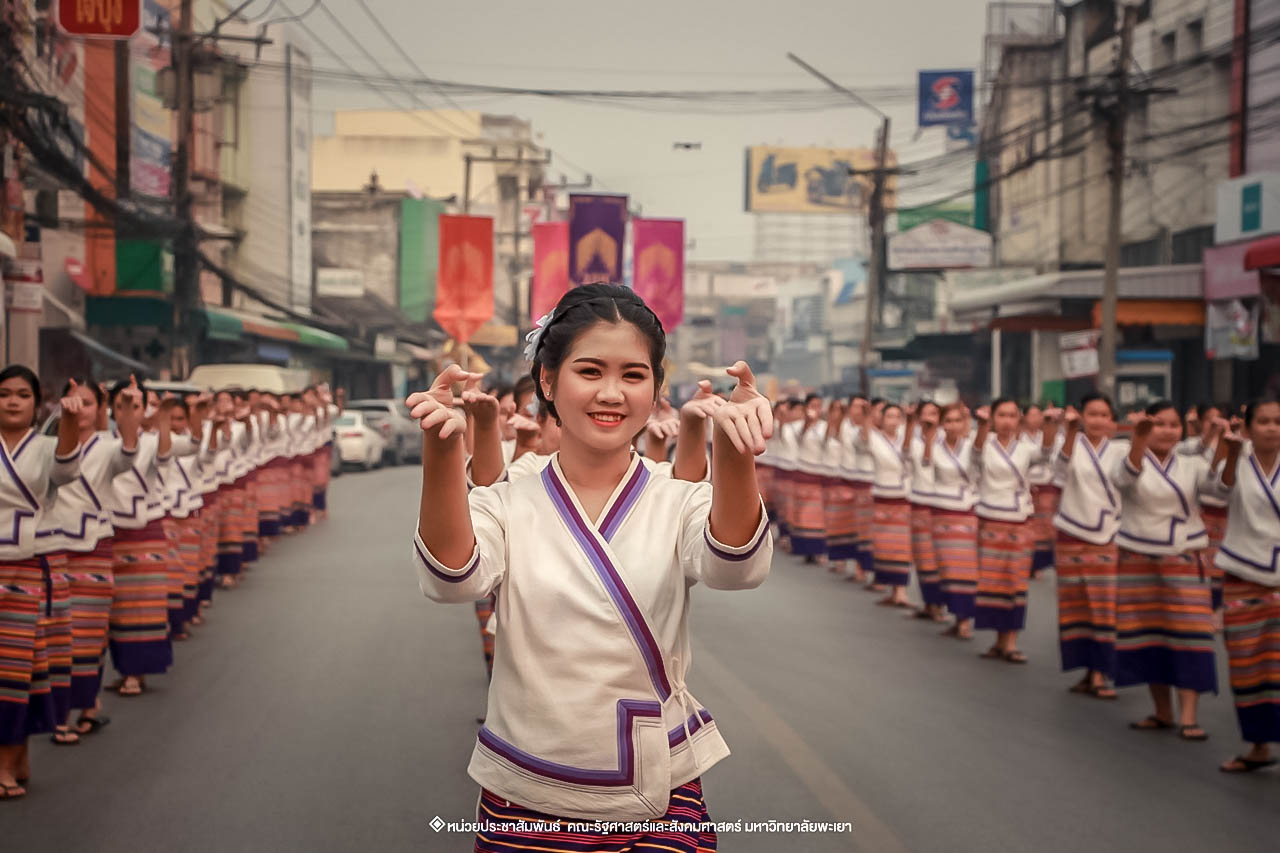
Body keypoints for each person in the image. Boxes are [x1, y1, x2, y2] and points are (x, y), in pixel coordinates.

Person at [409, 283, 771, 850]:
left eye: (633, 375)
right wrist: (438, 451)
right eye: (590, 371)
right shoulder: (507, 499)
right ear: (548, 381)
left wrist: (735, 447)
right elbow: (452, 580)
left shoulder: (679, 498)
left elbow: (737, 568)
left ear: (655, 388)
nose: (612, 392)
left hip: (662, 792)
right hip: (526, 792)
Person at [1111, 400, 1219, 741]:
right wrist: (1138, 440)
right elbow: (1123, 479)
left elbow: (1219, 489)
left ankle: (1189, 715)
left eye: (1173, 425)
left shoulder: (1192, 465)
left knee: (1190, 636)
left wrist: (1223, 448)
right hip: (1138, 556)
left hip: (1184, 556)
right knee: (1148, 635)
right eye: (1159, 424)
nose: (1167, 431)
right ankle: (1162, 711)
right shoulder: (1128, 457)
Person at [0, 366, 83, 800]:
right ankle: (17, 755)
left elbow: (68, 473)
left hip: (28, 566)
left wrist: (71, 420)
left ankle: (5, 763)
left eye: (21, 395)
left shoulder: (48, 446)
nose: (12, 401)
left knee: (13, 670)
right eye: (4, 394)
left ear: (36, 404)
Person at [43, 379, 136, 744]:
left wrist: (126, 412)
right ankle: (63, 712)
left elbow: (129, 454)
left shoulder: (108, 448)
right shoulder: (45, 448)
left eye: (87, 402)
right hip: (51, 551)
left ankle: (82, 707)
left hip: (93, 552)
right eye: (73, 401)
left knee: (88, 637)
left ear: (100, 409)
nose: (79, 408)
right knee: (56, 638)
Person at [1212, 398, 1280, 772]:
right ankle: (1258, 746)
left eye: (1278, 421)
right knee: (1248, 664)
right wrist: (1232, 454)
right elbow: (1219, 491)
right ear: (1250, 428)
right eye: (1264, 421)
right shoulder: (1236, 462)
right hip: (1242, 574)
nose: (1272, 428)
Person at [973, 399, 1046, 663]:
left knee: (1015, 583)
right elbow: (975, 455)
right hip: (990, 520)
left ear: (1020, 419)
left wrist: (1050, 425)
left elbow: (1048, 455)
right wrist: (982, 427)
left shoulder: (1027, 448)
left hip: (1019, 522)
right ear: (992, 418)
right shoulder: (982, 441)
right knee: (992, 582)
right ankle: (998, 640)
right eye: (1001, 415)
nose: (1006, 421)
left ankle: (1011, 642)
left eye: (1012, 416)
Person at [923, 403, 979, 639]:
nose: (953, 425)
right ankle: (956, 617)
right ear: (942, 424)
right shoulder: (934, 446)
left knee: (966, 570)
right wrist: (928, 436)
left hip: (967, 512)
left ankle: (965, 620)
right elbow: (926, 464)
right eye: (949, 421)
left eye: (958, 421)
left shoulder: (974, 445)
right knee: (946, 568)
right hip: (942, 513)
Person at [858, 400, 913, 607]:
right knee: (884, 546)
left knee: (902, 547)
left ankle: (901, 591)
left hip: (903, 497)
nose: (893, 421)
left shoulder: (909, 440)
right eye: (889, 416)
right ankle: (891, 589)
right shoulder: (874, 437)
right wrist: (866, 417)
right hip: (882, 496)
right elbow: (863, 439)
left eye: (897, 417)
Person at [907, 402, 946, 621]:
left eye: (934, 413)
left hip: (943, 505)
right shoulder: (913, 440)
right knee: (923, 558)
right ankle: (930, 603)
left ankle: (943, 606)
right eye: (926, 414)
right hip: (920, 503)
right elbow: (922, 462)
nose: (930, 417)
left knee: (942, 559)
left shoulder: (952, 440)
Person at [789, 394, 829, 562]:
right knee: (803, 514)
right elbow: (798, 438)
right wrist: (807, 422)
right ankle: (805, 550)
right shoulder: (796, 425)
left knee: (818, 515)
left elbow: (826, 443)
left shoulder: (825, 426)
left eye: (819, 405)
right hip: (802, 475)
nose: (816, 409)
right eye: (813, 405)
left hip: (819, 475)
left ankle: (819, 550)